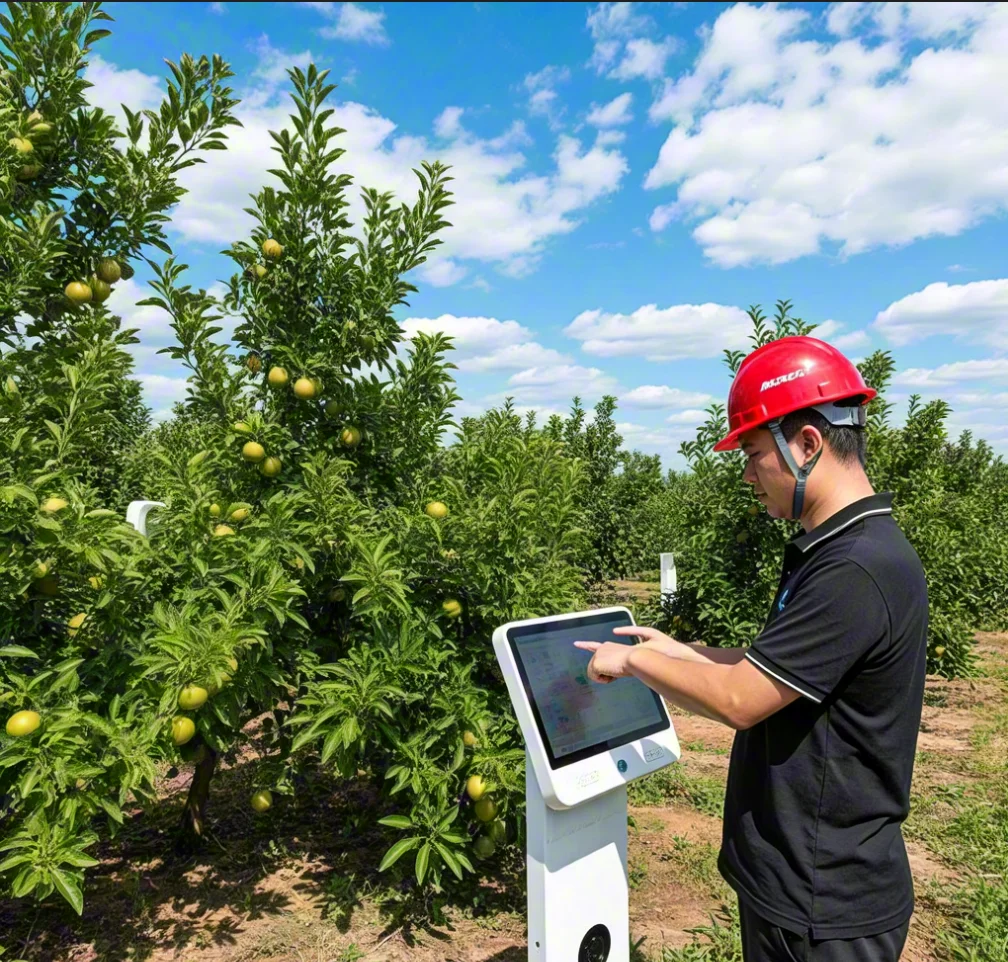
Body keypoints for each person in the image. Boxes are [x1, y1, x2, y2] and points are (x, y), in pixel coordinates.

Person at [575, 336, 928, 962]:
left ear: (808, 445)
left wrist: (633, 661)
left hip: (823, 904)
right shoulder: (840, 549)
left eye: (755, 453)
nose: (746, 474)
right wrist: (679, 651)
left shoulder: (855, 567)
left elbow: (743, 700)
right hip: (805, 883)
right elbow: (775, 667)